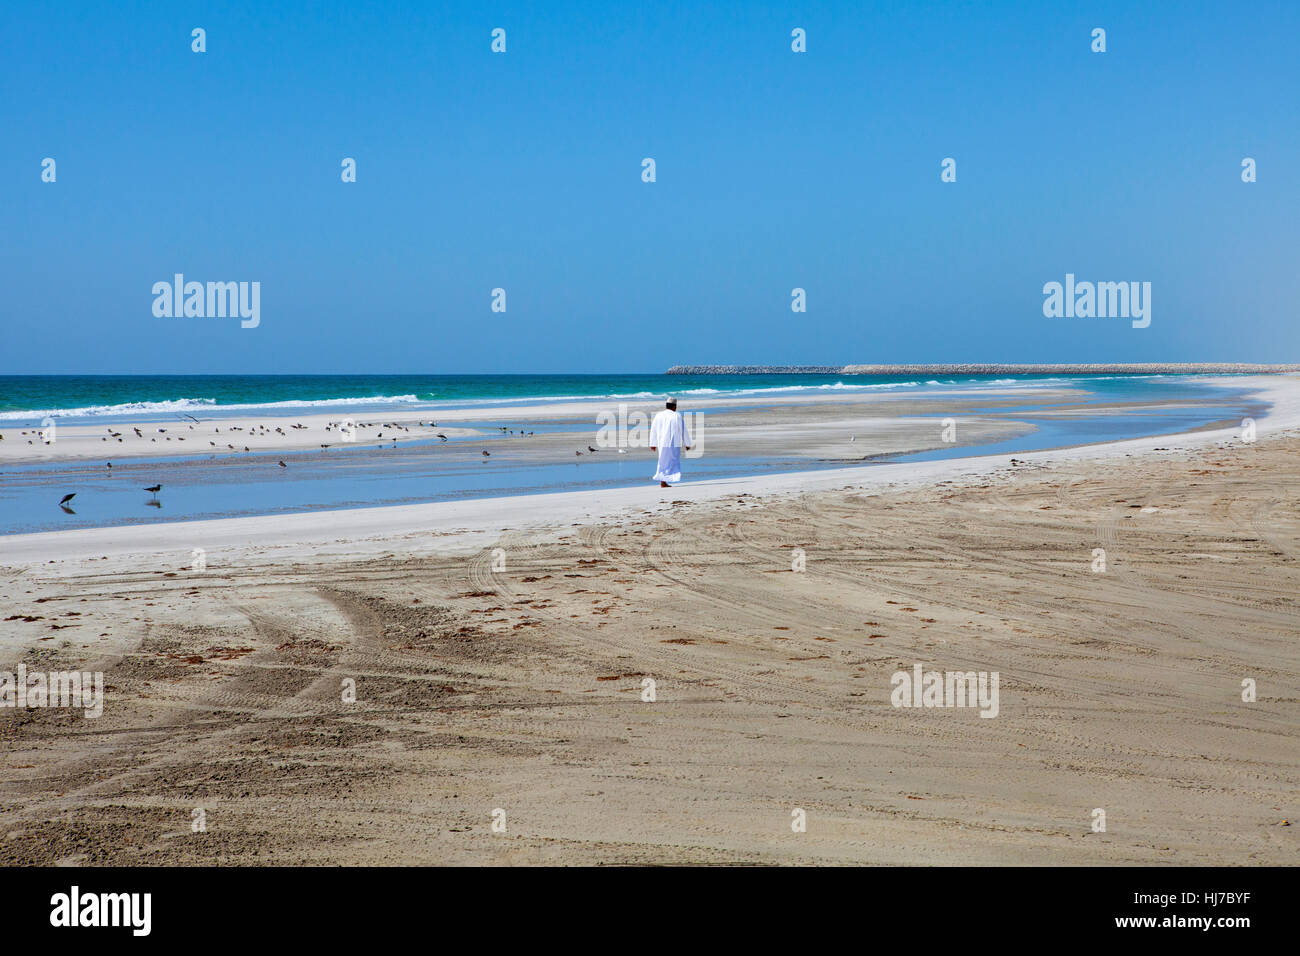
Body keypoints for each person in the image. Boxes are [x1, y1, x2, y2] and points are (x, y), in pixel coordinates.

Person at [649, 398, 691, 488]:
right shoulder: (677, 415)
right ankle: (666, 481)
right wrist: (687, 443)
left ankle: (663, 481)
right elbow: (683, 430)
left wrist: (653, 443)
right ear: (674, 406)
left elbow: (653, 430)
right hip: (673, 443)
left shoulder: (658, 415)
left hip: (662, 443)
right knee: (672, 461)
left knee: (662, 461)